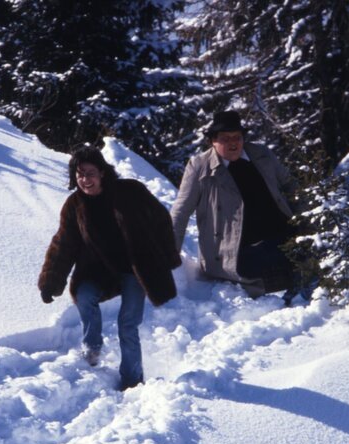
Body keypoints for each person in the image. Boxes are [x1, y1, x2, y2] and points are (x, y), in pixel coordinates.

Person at [38, 146, 181, 391]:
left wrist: (165, 258)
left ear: (103, 172)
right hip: (96, 271)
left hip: (134, 270)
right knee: (84, 297)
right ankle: (92, 348)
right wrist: (51, 280)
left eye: (90, 173)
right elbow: (64, 243)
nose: (85, 179)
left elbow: (161, 220)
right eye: (79, 174)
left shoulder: (130, 191)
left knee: (127, 324)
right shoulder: (74, 204)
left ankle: (132, 380)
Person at [170, 110, 299, 299]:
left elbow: (291, 186)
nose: (233, 143)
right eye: (225, 138)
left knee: (304, 255)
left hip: (279, 235)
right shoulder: (199, 166)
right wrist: (170, 258)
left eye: (237, 137)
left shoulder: (261, 155)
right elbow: (180, 213)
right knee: (267, 261)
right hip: (234, 250)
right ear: (213, 141)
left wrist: (307, 223)